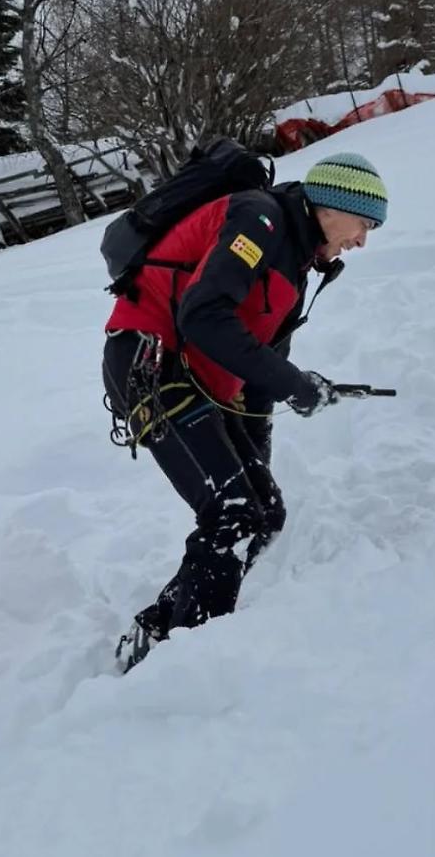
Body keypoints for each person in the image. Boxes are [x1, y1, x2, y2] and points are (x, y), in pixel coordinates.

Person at [102, 149, 389, 671]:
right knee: (232, 514)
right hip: (151, 364)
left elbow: (263, 366)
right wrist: (297, 386)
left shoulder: (298, 264)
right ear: (331, 204)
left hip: (195, 378)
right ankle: (192, 662)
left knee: (264, 513)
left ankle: (160, 633)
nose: (363, 240)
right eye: (363, 223)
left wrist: (269, 439)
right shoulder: (258, 220)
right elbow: (203, 316)